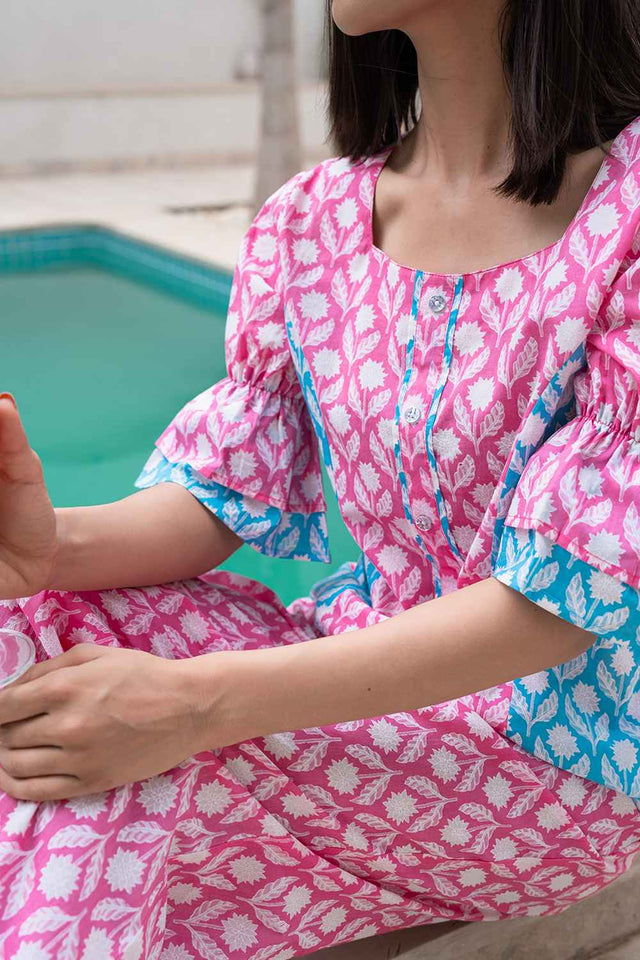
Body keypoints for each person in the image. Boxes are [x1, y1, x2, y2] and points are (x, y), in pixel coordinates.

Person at [2, 0, 640, 956]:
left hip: (558, 753)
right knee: (32, 629)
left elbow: (558, 602)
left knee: (115, 781)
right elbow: (220, 492)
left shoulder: (626, 222)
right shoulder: (314, 222)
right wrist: (52, 546)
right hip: (349, 662)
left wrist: (192, 705)